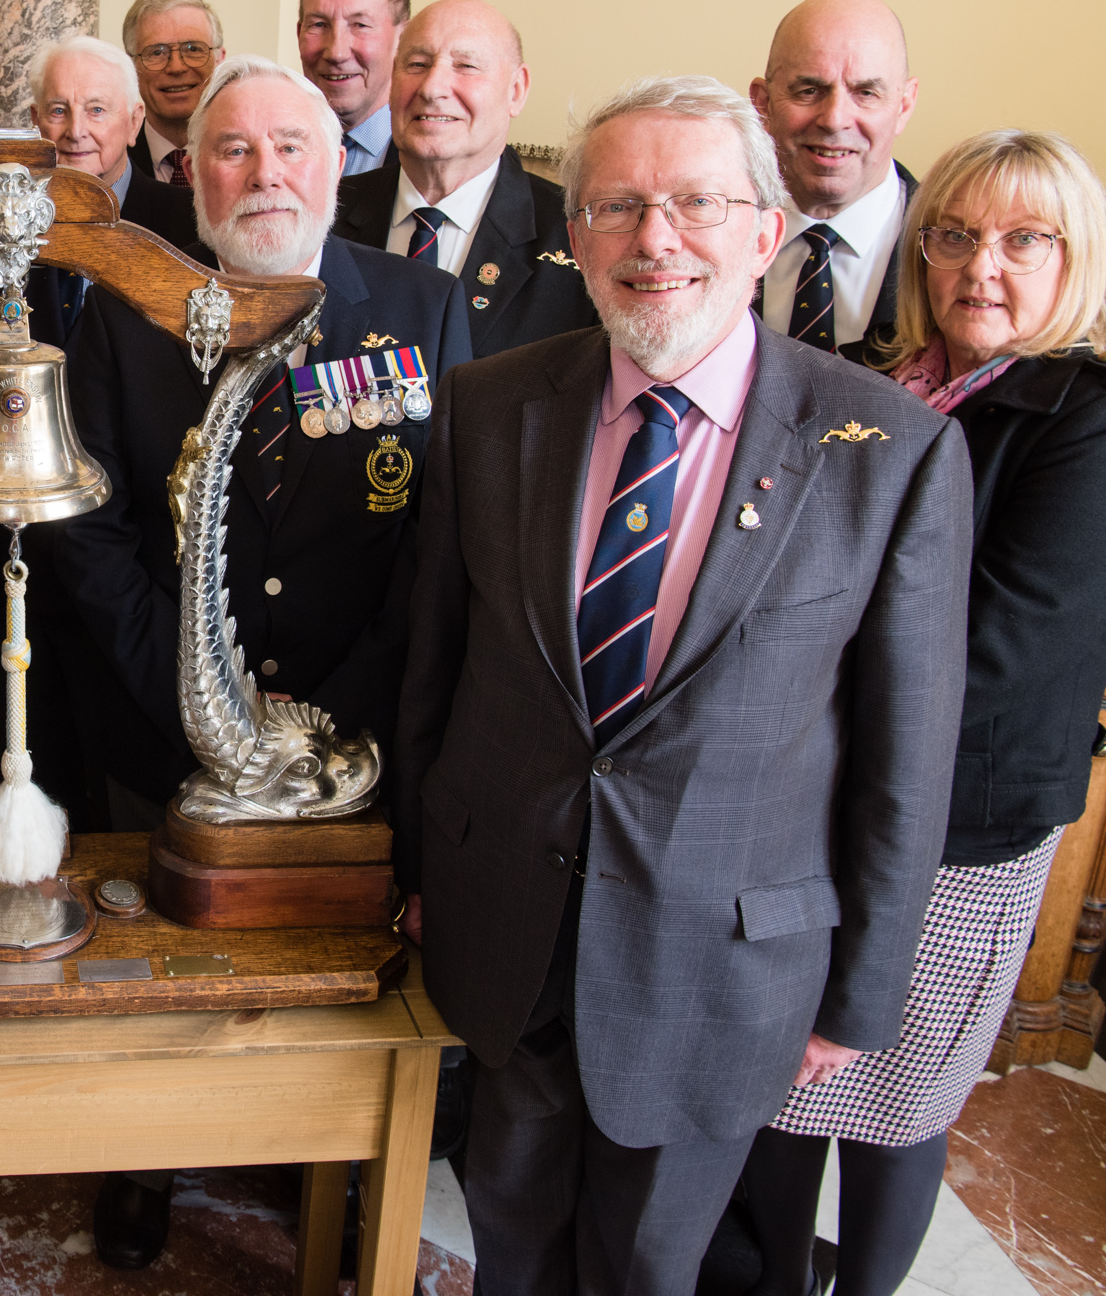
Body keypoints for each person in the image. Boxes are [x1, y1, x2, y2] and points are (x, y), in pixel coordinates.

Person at [394, 74, 970, 1296]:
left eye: (696, 203)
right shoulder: (492, 408)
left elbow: (903, 762)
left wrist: (855, 998)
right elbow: (437, 670)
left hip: (720, 962)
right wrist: (418, 876)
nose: (655, 241)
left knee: (651, 1266)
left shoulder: (888, 453)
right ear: (574, 236)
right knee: (510, 1238)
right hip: (511, 924)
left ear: (766, 232)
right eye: (616, 207)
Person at [740, 131, 1106, 1296]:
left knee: (897, 1100)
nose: (984, 264)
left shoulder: (1105, 421)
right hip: (823, 794)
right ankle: (778, 1277)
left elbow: (1000, 647)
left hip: (958, 823)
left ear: (1080, 258)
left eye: (1026, 239)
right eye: (956, 234)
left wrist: (787, 692)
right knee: (787, 1086)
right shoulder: (897, 388)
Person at [55, 55, 470, 1269]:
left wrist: (332, 713)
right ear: (189, 173)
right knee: (161, 954)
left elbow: (438, 540)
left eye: (291, 145)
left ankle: (319, 1163)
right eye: (233, 150)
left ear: (340, 161)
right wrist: (195, 694)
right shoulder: (129, 311)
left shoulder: (421, 308)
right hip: (163, 723)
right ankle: (144, 1158)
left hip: (354, 726)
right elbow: (93, 533)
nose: (264, 172)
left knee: (328, 963)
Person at [333, 0, 597, 356]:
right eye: (417, 64)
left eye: (466, 66)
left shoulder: (580, 234)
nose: (432, 88)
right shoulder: (322, 213)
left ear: (516, 90)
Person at [750, 0, 921, 364]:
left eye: (865, 93)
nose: (834, 119)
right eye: (809, 90)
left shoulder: (959, 255)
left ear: (904, 105)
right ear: (762, 103)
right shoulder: (706, 232)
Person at [29, 33, 195, 243]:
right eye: (59, 111)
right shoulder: (9, 214)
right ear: (36, 122)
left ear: (134, 122)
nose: (76, 131)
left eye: (96, 110)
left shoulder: (188, 218)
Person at [296, 0, 408, 177]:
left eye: (360, 25)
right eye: (318, 24)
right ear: (299, 33)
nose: (336, 52)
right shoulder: (271, 147)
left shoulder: (431, 158)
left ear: (403, 39)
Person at [120, 0, 227, 186]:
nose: (176, 67)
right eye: (157, 52)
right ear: (130, 67)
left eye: (193, 49)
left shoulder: (250, 159)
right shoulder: (111, 162)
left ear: (219, 60)